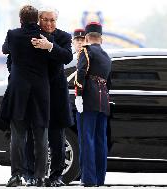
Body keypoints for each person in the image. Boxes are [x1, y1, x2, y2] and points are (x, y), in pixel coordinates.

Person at [0, 5, 53, 187]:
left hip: (19, 93)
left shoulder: (13, 35)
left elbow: (5, 49)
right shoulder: (45, 38)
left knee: (18, 137)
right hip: (40, 93)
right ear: (37, 20)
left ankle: (16, 176)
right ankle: (40, 177)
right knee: (41, 137)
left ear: (21, 19)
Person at [29, 7, 74, 187]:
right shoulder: (31, 35)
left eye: (52, 20)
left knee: (57, 138)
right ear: (39, 20)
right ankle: (33, 175)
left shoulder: (64, 37)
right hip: (36, 92)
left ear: (57, 20)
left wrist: (50, 47)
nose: (48, 23)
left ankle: (56, 175)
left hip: (56, 93)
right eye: (45, 20)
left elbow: (67, 56)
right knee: (34, 137)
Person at [74, 22, 112, 187]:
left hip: (88, 99)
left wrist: (79, 96)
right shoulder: (107, 56)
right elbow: (108, 81)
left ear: (87, 38)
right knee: (100, 140)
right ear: (101, 39)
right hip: (103, 102)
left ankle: (89, 179)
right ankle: (99, 178)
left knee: (86, 138)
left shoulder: (86, 51)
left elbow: (80, 74)